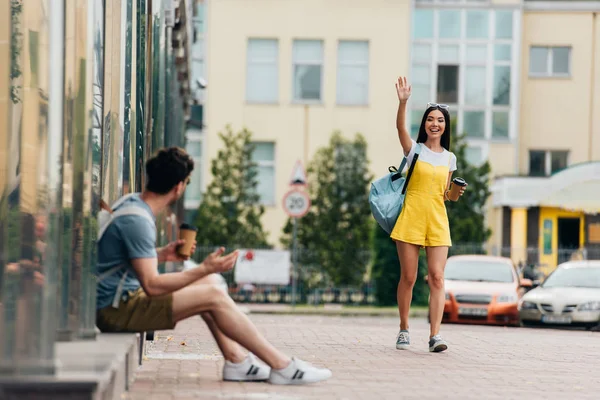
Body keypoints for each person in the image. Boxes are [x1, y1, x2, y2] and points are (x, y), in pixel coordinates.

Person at [95, 147, 332, 385]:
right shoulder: (138, 221)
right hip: (115, 311)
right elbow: (153, 286)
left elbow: (124, 261)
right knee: (213, 294)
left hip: (119, 300)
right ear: (179, 187)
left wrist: (162, 255)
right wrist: (205, 268)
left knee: (208, 285)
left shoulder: (132, 203)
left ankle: (237, 361)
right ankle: (283, 366)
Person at [391, 77, 466, 353]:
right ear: (424, 124)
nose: (435, 123)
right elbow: (400, 127)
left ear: (445, 126)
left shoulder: (450, 158)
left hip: (437, 219)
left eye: (440, 120)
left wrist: (457, 192)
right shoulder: (415, 150)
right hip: (411, 216)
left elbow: (446, 195)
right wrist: (403, 102)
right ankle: (403, 328)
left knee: (437, 277)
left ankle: (435, 335)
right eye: (431, 119)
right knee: (409, 277)